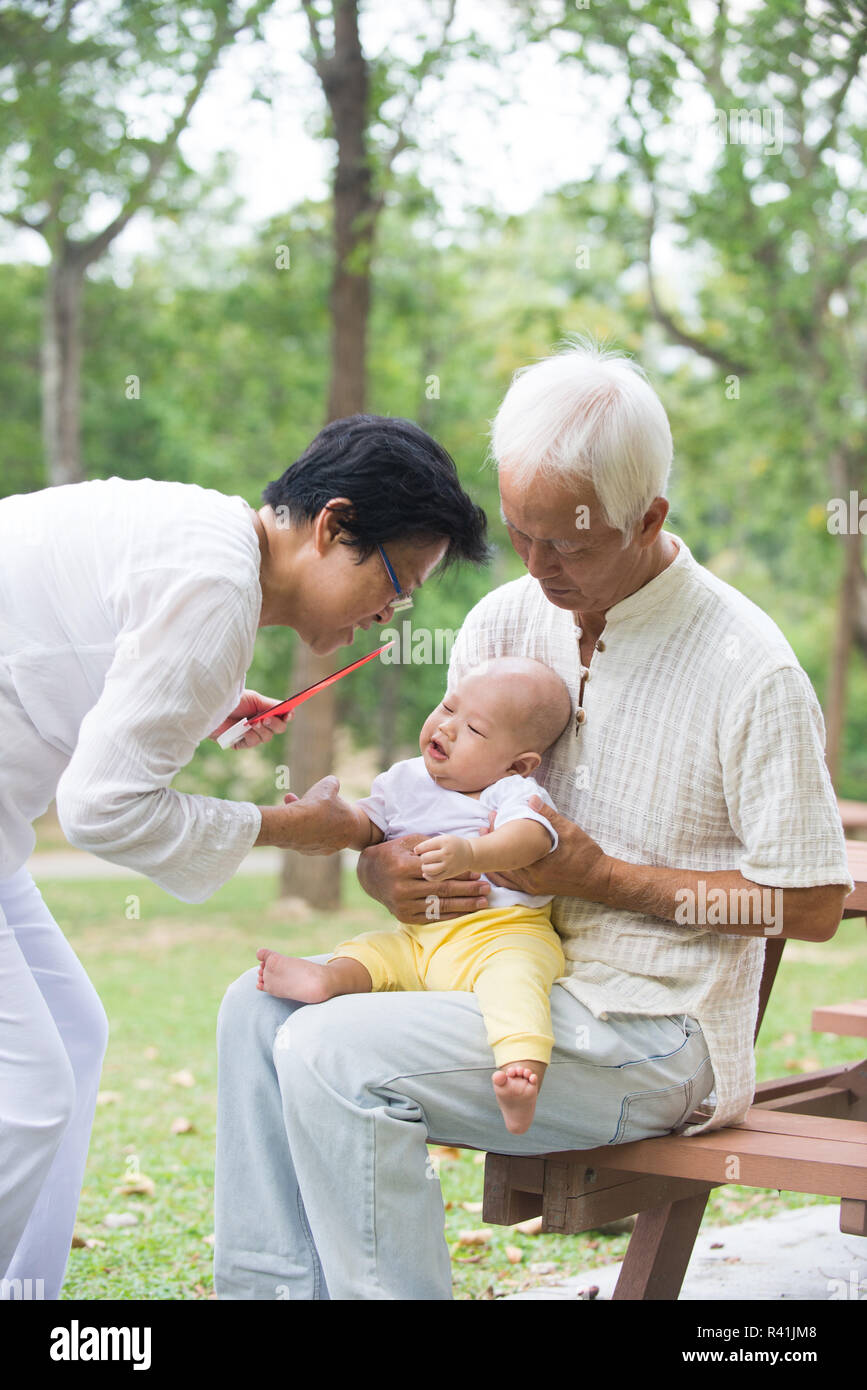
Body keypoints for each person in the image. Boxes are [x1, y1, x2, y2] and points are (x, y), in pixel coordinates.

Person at [214, 340, 853, 1301]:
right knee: (256, 1011)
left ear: (649, 518)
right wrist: (384, 873)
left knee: (332, 1050)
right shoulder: (503, 626)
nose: (539, 566)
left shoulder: (748, 669)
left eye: (572, 543)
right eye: (521, 533)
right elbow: (415, 826)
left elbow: (807, 907)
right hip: (484, 982)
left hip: (650, 1029)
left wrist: (606, 881)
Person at [0, 413, 488, 1299]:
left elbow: (80, 653)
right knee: (29, 1093)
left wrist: (215, 701)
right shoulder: (216, 591)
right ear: (333, 526)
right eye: (393, 583)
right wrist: (285, 827)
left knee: (74, 1038)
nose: (388, 613)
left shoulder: (211, 541)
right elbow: (102, 808)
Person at [256, 656, 574, 1134]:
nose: (445, 726)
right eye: (447, 707)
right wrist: (321, 821)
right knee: (375, 952)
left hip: (500, 936)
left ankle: (521, 1070)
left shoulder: (509, 792)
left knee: (516, 981)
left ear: (517, 762)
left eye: (474, 730)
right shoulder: (405, 779)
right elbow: (367, 823)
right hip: (419, 940)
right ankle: (328, 980)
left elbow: (533, 837)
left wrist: (473, 852)